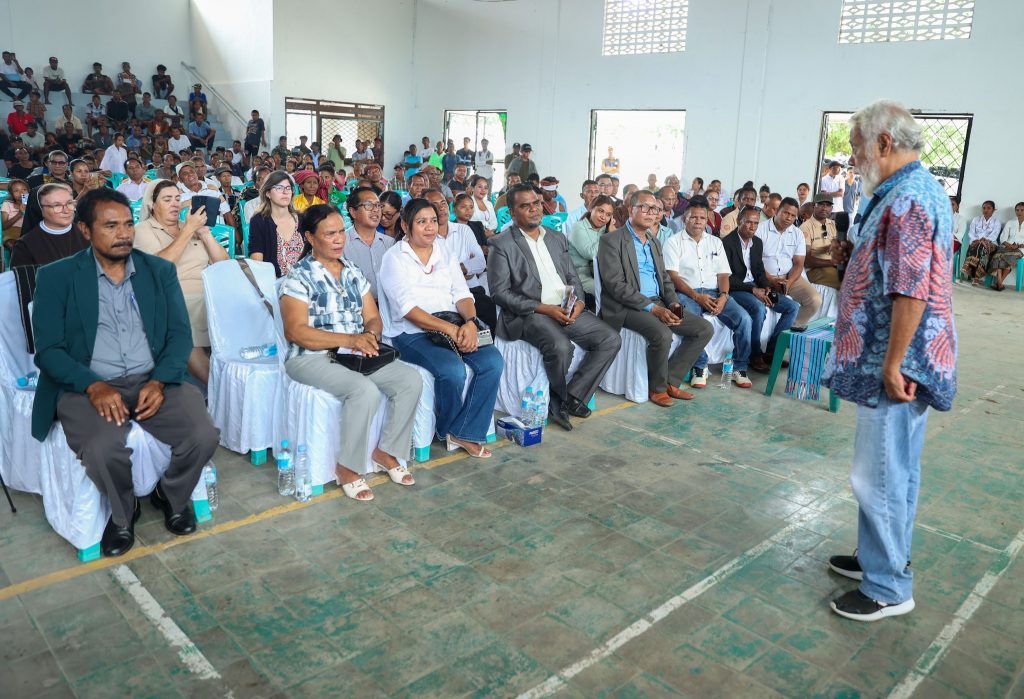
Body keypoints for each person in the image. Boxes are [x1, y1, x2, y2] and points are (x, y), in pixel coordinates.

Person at [824, 100, 957, 622]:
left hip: (896, 363)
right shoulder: (907, 191)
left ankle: (886, 588)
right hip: (895, 357)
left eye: (857, 147)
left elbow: (911, 289)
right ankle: (878, 558)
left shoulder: (908, 199)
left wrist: (893, 361)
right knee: (894, 470)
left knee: (878, 474)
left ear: (883, 142)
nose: (853, 159)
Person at [31, 187, 219, 557]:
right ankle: (123, 512)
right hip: (87, 385)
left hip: (153, 378)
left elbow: (179, 336)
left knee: (203, 434)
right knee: (102, 448)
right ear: (85, 230)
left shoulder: (158, 271)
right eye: (110, 226)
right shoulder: (57, 277)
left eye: (128, 224)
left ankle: (171, 495)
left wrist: (161, 380)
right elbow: (48, 350)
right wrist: (92, 385)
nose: (123, 234)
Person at [277, 204, 422, 500]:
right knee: (363, 390)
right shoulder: (298, 277)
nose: (339, 239)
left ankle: (386, 451)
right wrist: (350, 339)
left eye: (341, 232)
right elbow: (296, 332)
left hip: (353, 352)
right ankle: (348, 468)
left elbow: (373, 317)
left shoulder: (352, 271)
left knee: (410, 380)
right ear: (310, 237)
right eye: (329, 234)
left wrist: (368, 336)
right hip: (310, 357)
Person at [488, 183, 621, 430]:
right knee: (561, 347)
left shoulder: (556, 237)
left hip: (565, 307)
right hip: (530, 313)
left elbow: (573, 277)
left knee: (610, 339)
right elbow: (500, 293)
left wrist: (579, 302)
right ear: (512, 212)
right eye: (525, 206)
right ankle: (556, 403)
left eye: (536, 203)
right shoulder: (501, 244)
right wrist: (543, 308)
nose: (534, 209)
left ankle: (573, 396)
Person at [379, 198, 503, 458]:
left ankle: (464, 431)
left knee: (492, 361)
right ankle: (448, 428)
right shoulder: (394, 258)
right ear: (405, 226)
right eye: (421, 222)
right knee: (451, 370)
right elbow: (409, 310)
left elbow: (462, 293)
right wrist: (452, 331)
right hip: (411, 333)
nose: (429, 227)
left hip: (454, 323)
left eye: (433, 221)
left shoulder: (444, 250)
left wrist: (470, 323)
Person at [597, 190, 713, 407]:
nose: (651, 213)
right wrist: (653, 309)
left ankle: (671, 380)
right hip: (625, 307)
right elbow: (616, 286)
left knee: (704, 329)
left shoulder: (654, 241)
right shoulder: (611, 240)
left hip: (657, 301)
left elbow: (665, 280)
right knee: (662, 334)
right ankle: (657, 389)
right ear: (631, 209)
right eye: (645, 207)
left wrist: (674, 304)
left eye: (655, 209)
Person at [132, 180, 228, 385]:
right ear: (152, 204)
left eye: (177, 198)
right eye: (167, 199)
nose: (175, 204)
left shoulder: (190, 227)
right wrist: (188, 231)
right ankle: (219, 390)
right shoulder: (143, 230)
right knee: (182, 318)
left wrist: (205, 233)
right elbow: (159, 268)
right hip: (171, 294)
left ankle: (234, 381)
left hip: (207, 292)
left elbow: (224, 266)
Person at [664, 200, 754, 388]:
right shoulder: (673, 242)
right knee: (695, 324)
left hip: (715, 292)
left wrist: (723, 296)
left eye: (702, 218)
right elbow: (673, 277)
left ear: (707, 220)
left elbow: (723, 274)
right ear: (685, 219)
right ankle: (700, 366)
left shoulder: (715, 242)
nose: (698, 221)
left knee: (744, 319)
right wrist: (697, 297)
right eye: (693, 217)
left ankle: (740, 367)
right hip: (686, 293)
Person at [721, 205, 799, 372]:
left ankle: (772, 352)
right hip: (737, 288)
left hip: (755, 286)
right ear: (738, 221)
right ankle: (754, 355)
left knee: (792, 307)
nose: (752, 227)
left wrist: (766, 287)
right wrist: (753, 291)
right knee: (758, 308)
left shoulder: (757, 242)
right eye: (748, 222)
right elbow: (726, 278)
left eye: (756, 223)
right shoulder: (726, 243)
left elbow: (759, 271)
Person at [423, 189, 495, 329]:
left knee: (490, 313)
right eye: (434, 204)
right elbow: (430, 274)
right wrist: (466, 269)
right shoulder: (425, 236)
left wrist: (453, 269)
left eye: (443, 202)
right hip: (443, 295)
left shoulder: (463, 230)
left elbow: (481, 262)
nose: (441, 208)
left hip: (471, 290)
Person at [756, 197, 821, 325]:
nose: (789, 218)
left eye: (793, 215)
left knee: (815, 300)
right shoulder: (760, 230)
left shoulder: (797, 234)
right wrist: (771, 280)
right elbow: (755, 262)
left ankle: (791, 327)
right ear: (777, 211)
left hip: (788, 277)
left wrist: (789, 282)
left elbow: (799, 263)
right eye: (786, 213)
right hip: (764, 277)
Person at [9, 183, 88, 268]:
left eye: (69, 203)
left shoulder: (89, 234)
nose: (66, 210)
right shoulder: (25, 246)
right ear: (39, 209)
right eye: (57, 205)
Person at [248, 171, 304, 278]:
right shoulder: (259, 221)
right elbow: (257, 263)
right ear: (268, 193)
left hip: (304, 280)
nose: (285, 192)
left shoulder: (302, 219)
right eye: (279, 188)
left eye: (288, 188)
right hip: (274, 282)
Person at [343, 186, 394, 299]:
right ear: (353, 212)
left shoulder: (390, 243)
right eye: (368, 205)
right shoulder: (341, 243)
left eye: (378, 205)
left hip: (388, 306)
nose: (375, 210)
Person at [568, 194, 616, 310]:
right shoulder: (578, 227)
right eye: (600, 211)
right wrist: (610, 235)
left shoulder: (607, 230)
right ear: (591, 208)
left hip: (603, 274)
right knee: (609, 295)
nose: (603, 217)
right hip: (581, 275)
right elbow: (591, 253)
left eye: (608, 215)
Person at [800, 193, 841, 289]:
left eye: (828, 205)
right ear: (814, 206)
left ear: (832, 208)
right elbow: (806, 261)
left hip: (835, 266)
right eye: (821, 204)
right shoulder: (805, 227)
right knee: (845, 282)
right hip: (815, 269)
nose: (824, 208)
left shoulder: (834, 224)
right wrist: (833, 262)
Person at [960, 200, 1001, 285]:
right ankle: (976, 277)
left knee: (981, 247)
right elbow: (971, 233)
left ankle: (971, 271)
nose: (986, 210)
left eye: (988, 208)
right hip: (976, 242)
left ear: (994, 210)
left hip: (991, 244)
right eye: (984, 208)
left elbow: (994, 235)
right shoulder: (976, 219)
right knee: (978, 247)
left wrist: (983, 241)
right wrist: (977, 241)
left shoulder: (996, 221)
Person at [988, 202, 1024, 291]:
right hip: (1007, 247)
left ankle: (998, 283)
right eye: (1017, 210)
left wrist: (1019, 245)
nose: (1019, 212)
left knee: (1006, 258)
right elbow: (1003, 238)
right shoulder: (1010, 222)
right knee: (997, 256)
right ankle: (1000, 283)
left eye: (1022, 210)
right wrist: (1009, 245)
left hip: (1021, 249)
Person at [1, 178, 28, 258]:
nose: (21, 193)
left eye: (24, 189)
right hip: (11, 232)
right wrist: (20, 214)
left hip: (27, 232)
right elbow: (4, 226)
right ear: (11, 194)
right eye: (16, 191)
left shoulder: (32, 203)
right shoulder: (7, 204)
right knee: (12, 244)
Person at [467, 174, 497, 240]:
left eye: (485, 188)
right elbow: (470, 223)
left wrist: (489, 231)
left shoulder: (489, 204)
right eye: (480, 187)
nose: (483, 190)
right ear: (473, 188)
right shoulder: (468, 203)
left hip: (489, 234)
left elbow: (494, 222)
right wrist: (483, 233)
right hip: (473, 236)